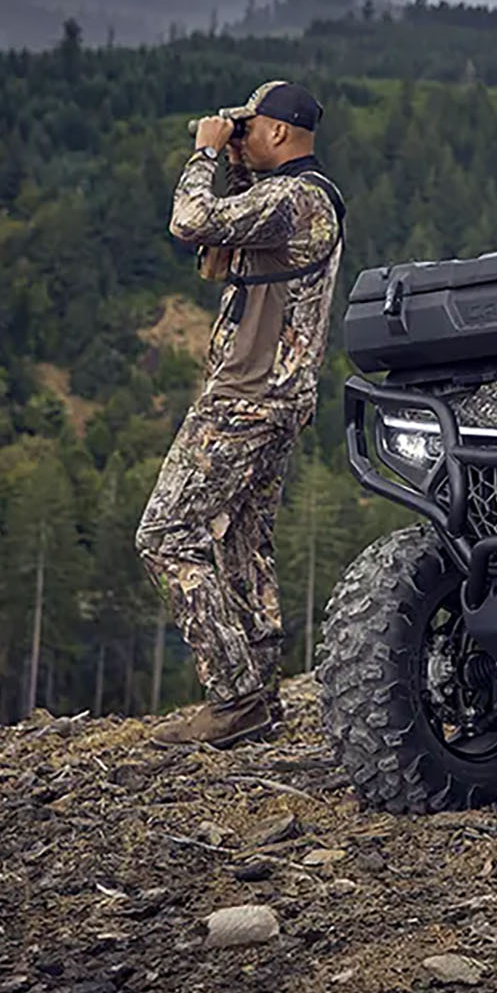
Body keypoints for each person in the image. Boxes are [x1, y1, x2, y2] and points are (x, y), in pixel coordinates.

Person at [136, 80, 345, 747]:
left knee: (166, 534)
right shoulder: (289, 200)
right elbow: (218, 256)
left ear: (281, 132)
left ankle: (233, 697)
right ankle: (259, 696)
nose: (239, 134)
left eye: (251, 127)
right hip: (274, 397)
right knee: (241, 543)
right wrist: (235, 160)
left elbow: (190, 222)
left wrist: (203, 155)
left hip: (247, 399)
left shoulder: (295, 198)